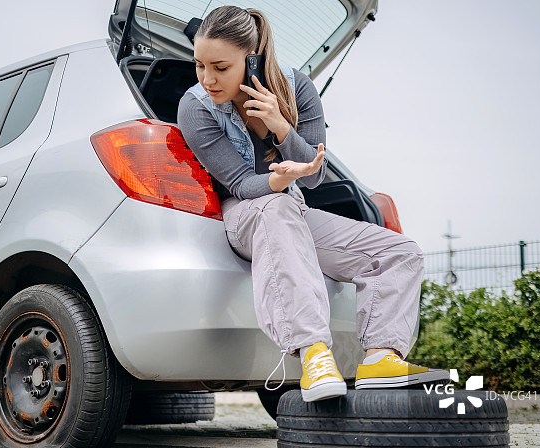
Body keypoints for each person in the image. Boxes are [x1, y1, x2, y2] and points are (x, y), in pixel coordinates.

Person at [177, 6, 448, 402]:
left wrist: (280, 126)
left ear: (251, 58)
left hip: (291, 210)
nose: (207, 78)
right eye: (199, 65)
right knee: (278, 207)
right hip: (242, 213)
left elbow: (316, 175)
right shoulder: (195, 106)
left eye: (219, 66)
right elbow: (238, 183)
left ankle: (380, 358)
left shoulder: (297, 88)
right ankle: (315, 355)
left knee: (398, 252)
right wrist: (278, 180)